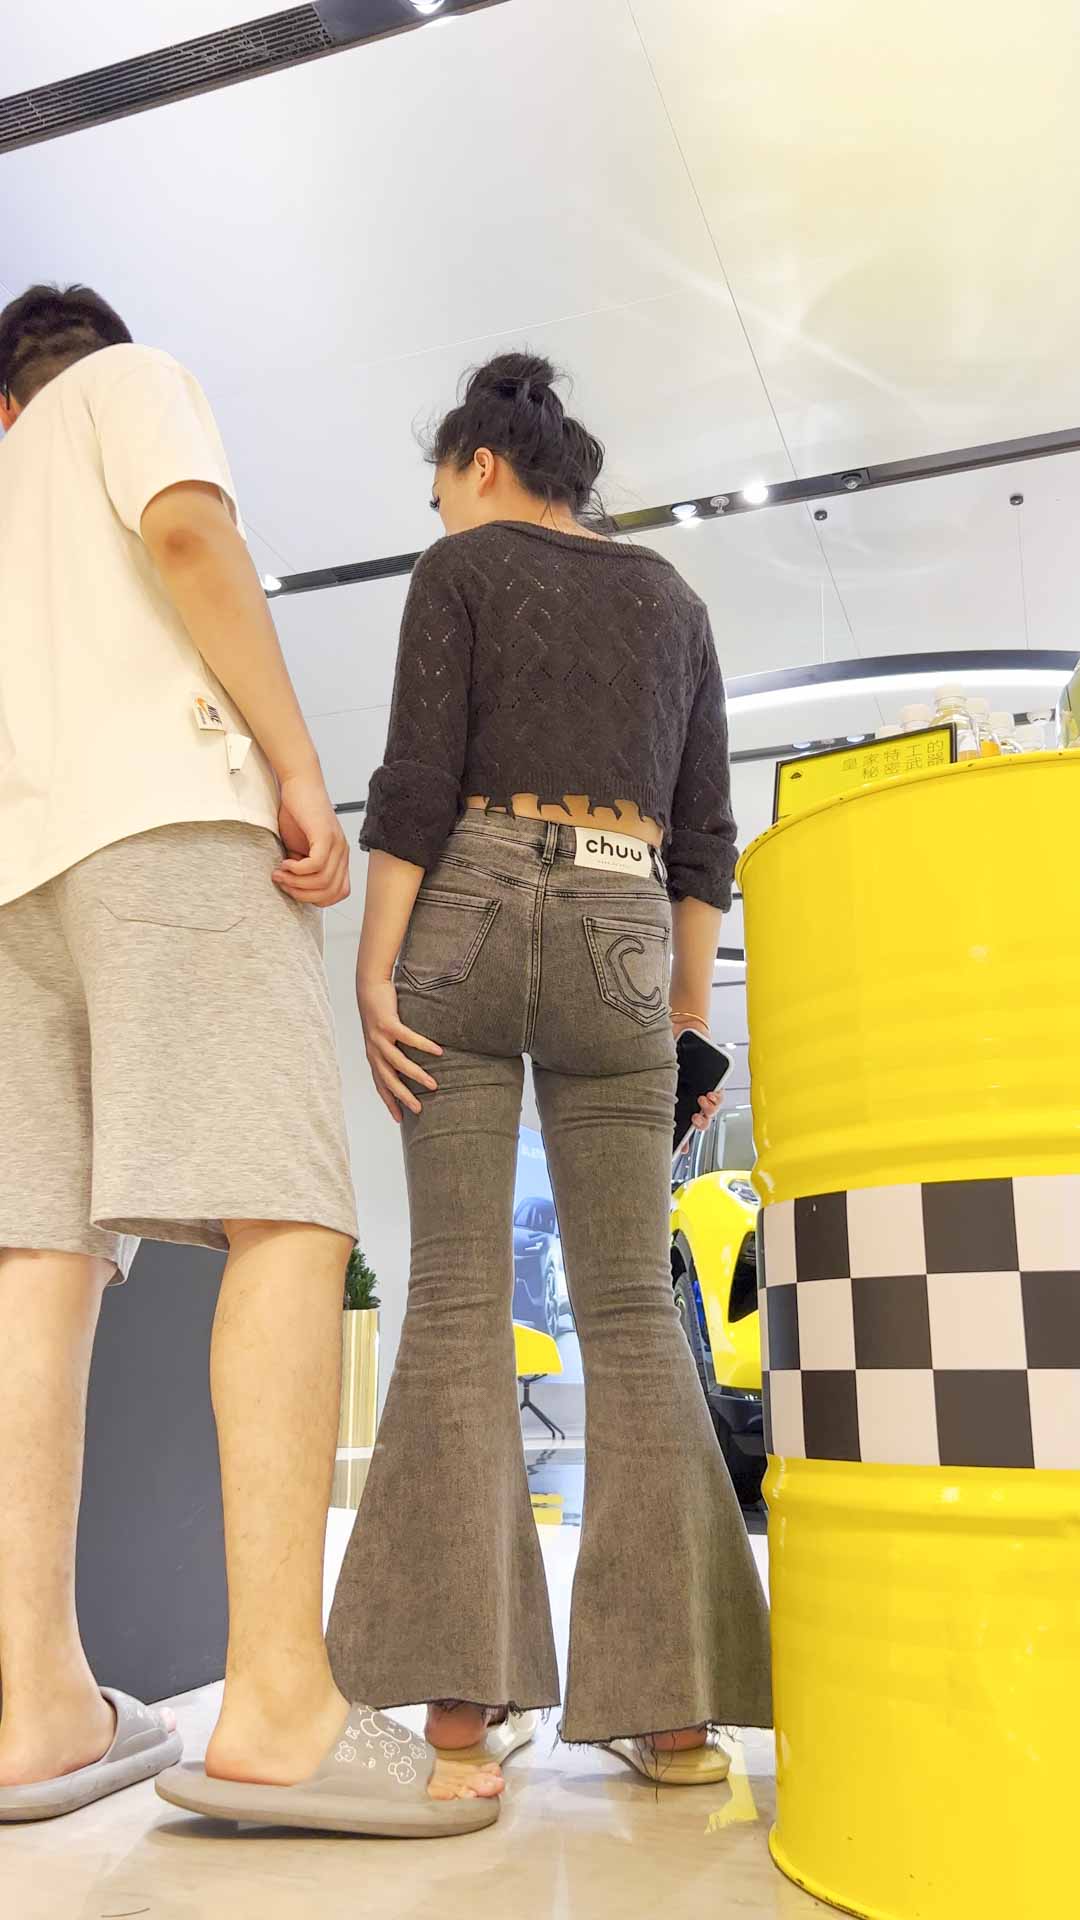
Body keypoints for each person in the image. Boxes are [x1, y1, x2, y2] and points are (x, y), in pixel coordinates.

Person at [0, 285, 502, 1837]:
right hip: (166, 825)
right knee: (292, 1210)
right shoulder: (128, 380)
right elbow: (189, 535)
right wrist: (297, 763)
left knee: (37, 1261)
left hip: (14, 886)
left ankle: (34, 1702)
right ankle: (280, 1699)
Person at [328, 353, 771, 1782]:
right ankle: (675, 1712)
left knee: (457, 1295)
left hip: (465, 902)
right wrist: (685, 1009)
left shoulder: (457, 571)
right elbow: (706, 833)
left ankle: (463, 1708)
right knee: (632, 1305)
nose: (442, 512)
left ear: (482, 466)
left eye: (441, 488)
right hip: (624, 920)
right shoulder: (675, 602)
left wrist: (376, 965)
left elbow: (416, 784)